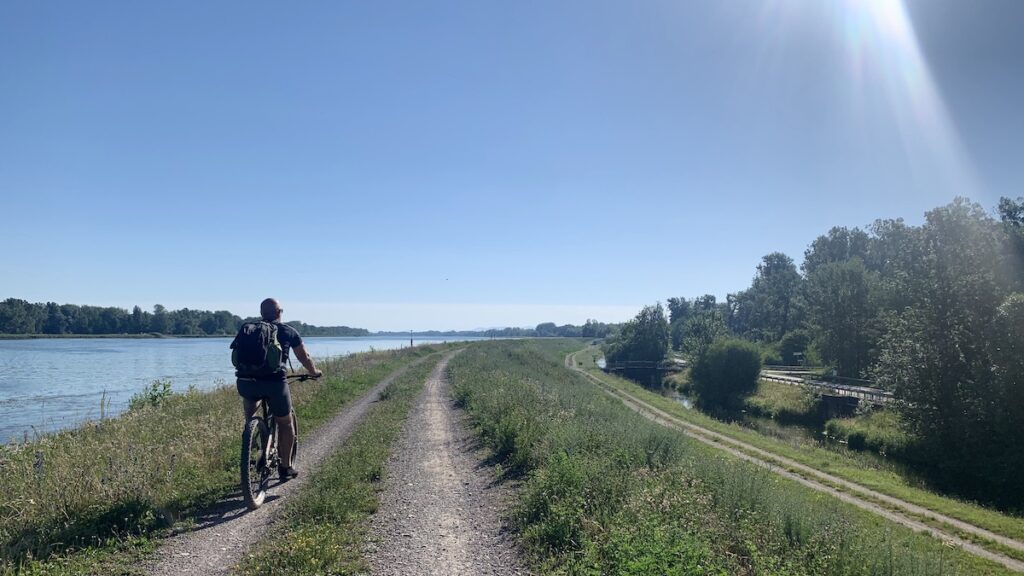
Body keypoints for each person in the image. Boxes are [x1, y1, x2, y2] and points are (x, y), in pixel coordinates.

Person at [233, 298, 322, 480]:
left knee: (251, 403)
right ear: (279, 312)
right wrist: (314, 372)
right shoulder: (288, 331)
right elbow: (304, 356)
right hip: (275, 383)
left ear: (261, 313)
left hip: (245, 382)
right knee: (285, 422)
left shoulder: (249, 329)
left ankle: (251, 436)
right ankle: (286, 466)